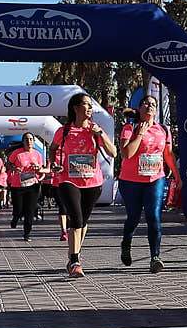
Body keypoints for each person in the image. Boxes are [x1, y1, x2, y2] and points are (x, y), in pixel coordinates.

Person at [50, 94, 114, 276]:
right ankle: (75, 260)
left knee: (83, 222)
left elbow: (114, 153)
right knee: (76, 219)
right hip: (68, 180)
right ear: (75, 108)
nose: (90, 109)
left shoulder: (95, 130)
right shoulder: (63, 131)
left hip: (92, 182)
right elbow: (53, 149)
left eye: (91, 106)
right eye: (86, 105)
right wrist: (53, 163)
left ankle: (75, 254)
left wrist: (100, 134)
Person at [118, 98, 177, 271]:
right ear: (139, 108)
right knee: (134, 217)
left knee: (154, 216)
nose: (150, 105)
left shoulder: (163, 129)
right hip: (130, 181)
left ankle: (155, 257)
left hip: (155, 179)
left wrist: (178, 176)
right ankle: (126, 243)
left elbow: (168, 154)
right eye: (146, 103)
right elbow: (127, 154)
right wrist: (140, 134)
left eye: (153, 104)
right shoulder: (129, 128)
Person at [6, 133, 49, 241]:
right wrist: (15, 168)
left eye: (31, 139)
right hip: (18, 185)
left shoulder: (38, 154)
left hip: (33, 185)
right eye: (26, 139)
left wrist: (38, 168)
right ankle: (15, 217)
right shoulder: (17, 153)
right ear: (23, 141)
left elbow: (41, 168)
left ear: (34, 141)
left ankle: (27, 233)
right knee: (19, 209)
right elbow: (8, 164)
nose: (29, 141)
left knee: (30, 210)